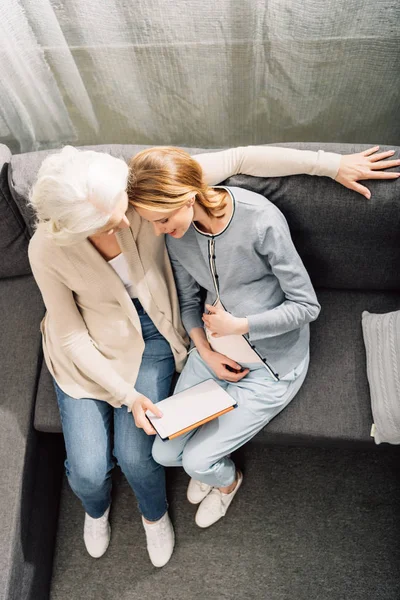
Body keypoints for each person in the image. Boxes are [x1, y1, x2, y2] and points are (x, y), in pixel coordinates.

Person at [28, 144, 400, 566]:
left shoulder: (147, 191)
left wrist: (330, 165)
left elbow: (242, 158)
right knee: (100, 469)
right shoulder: (57, 246)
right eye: (112, 222)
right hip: (98, 348)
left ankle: (178, 503)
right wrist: (152, 380)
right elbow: (76, 335)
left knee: (149, 455)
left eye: (128, 214)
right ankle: (98, 507)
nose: (130, 224)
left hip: (175, 340)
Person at [127, 145, 400, 530]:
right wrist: (204, 350)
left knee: (196, 461)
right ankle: (210, 465)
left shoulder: (259, 219)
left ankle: (227, 482)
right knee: (163, 454)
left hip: (273, 366)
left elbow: (307, 307)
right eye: (150, 222)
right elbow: (188, 301)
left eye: (162, 219)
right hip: (214, 356)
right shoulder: (177, 235)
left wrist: (240, 326)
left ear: (187, 196)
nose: (158, 231)